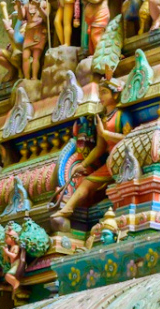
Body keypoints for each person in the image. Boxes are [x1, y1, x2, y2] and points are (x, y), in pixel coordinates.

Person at [51, 79, 132, 227]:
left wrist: (106, 134)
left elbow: (130, 138)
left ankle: (68, 208)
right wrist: (83, 164)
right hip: (110, 162)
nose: (101, 96)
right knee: (87, 182)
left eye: (104, 92)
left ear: (115, 95)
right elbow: (100, 148)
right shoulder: (103, 118)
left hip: (124, 161)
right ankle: (67, 209)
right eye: (99, 93)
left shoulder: (122, 115)